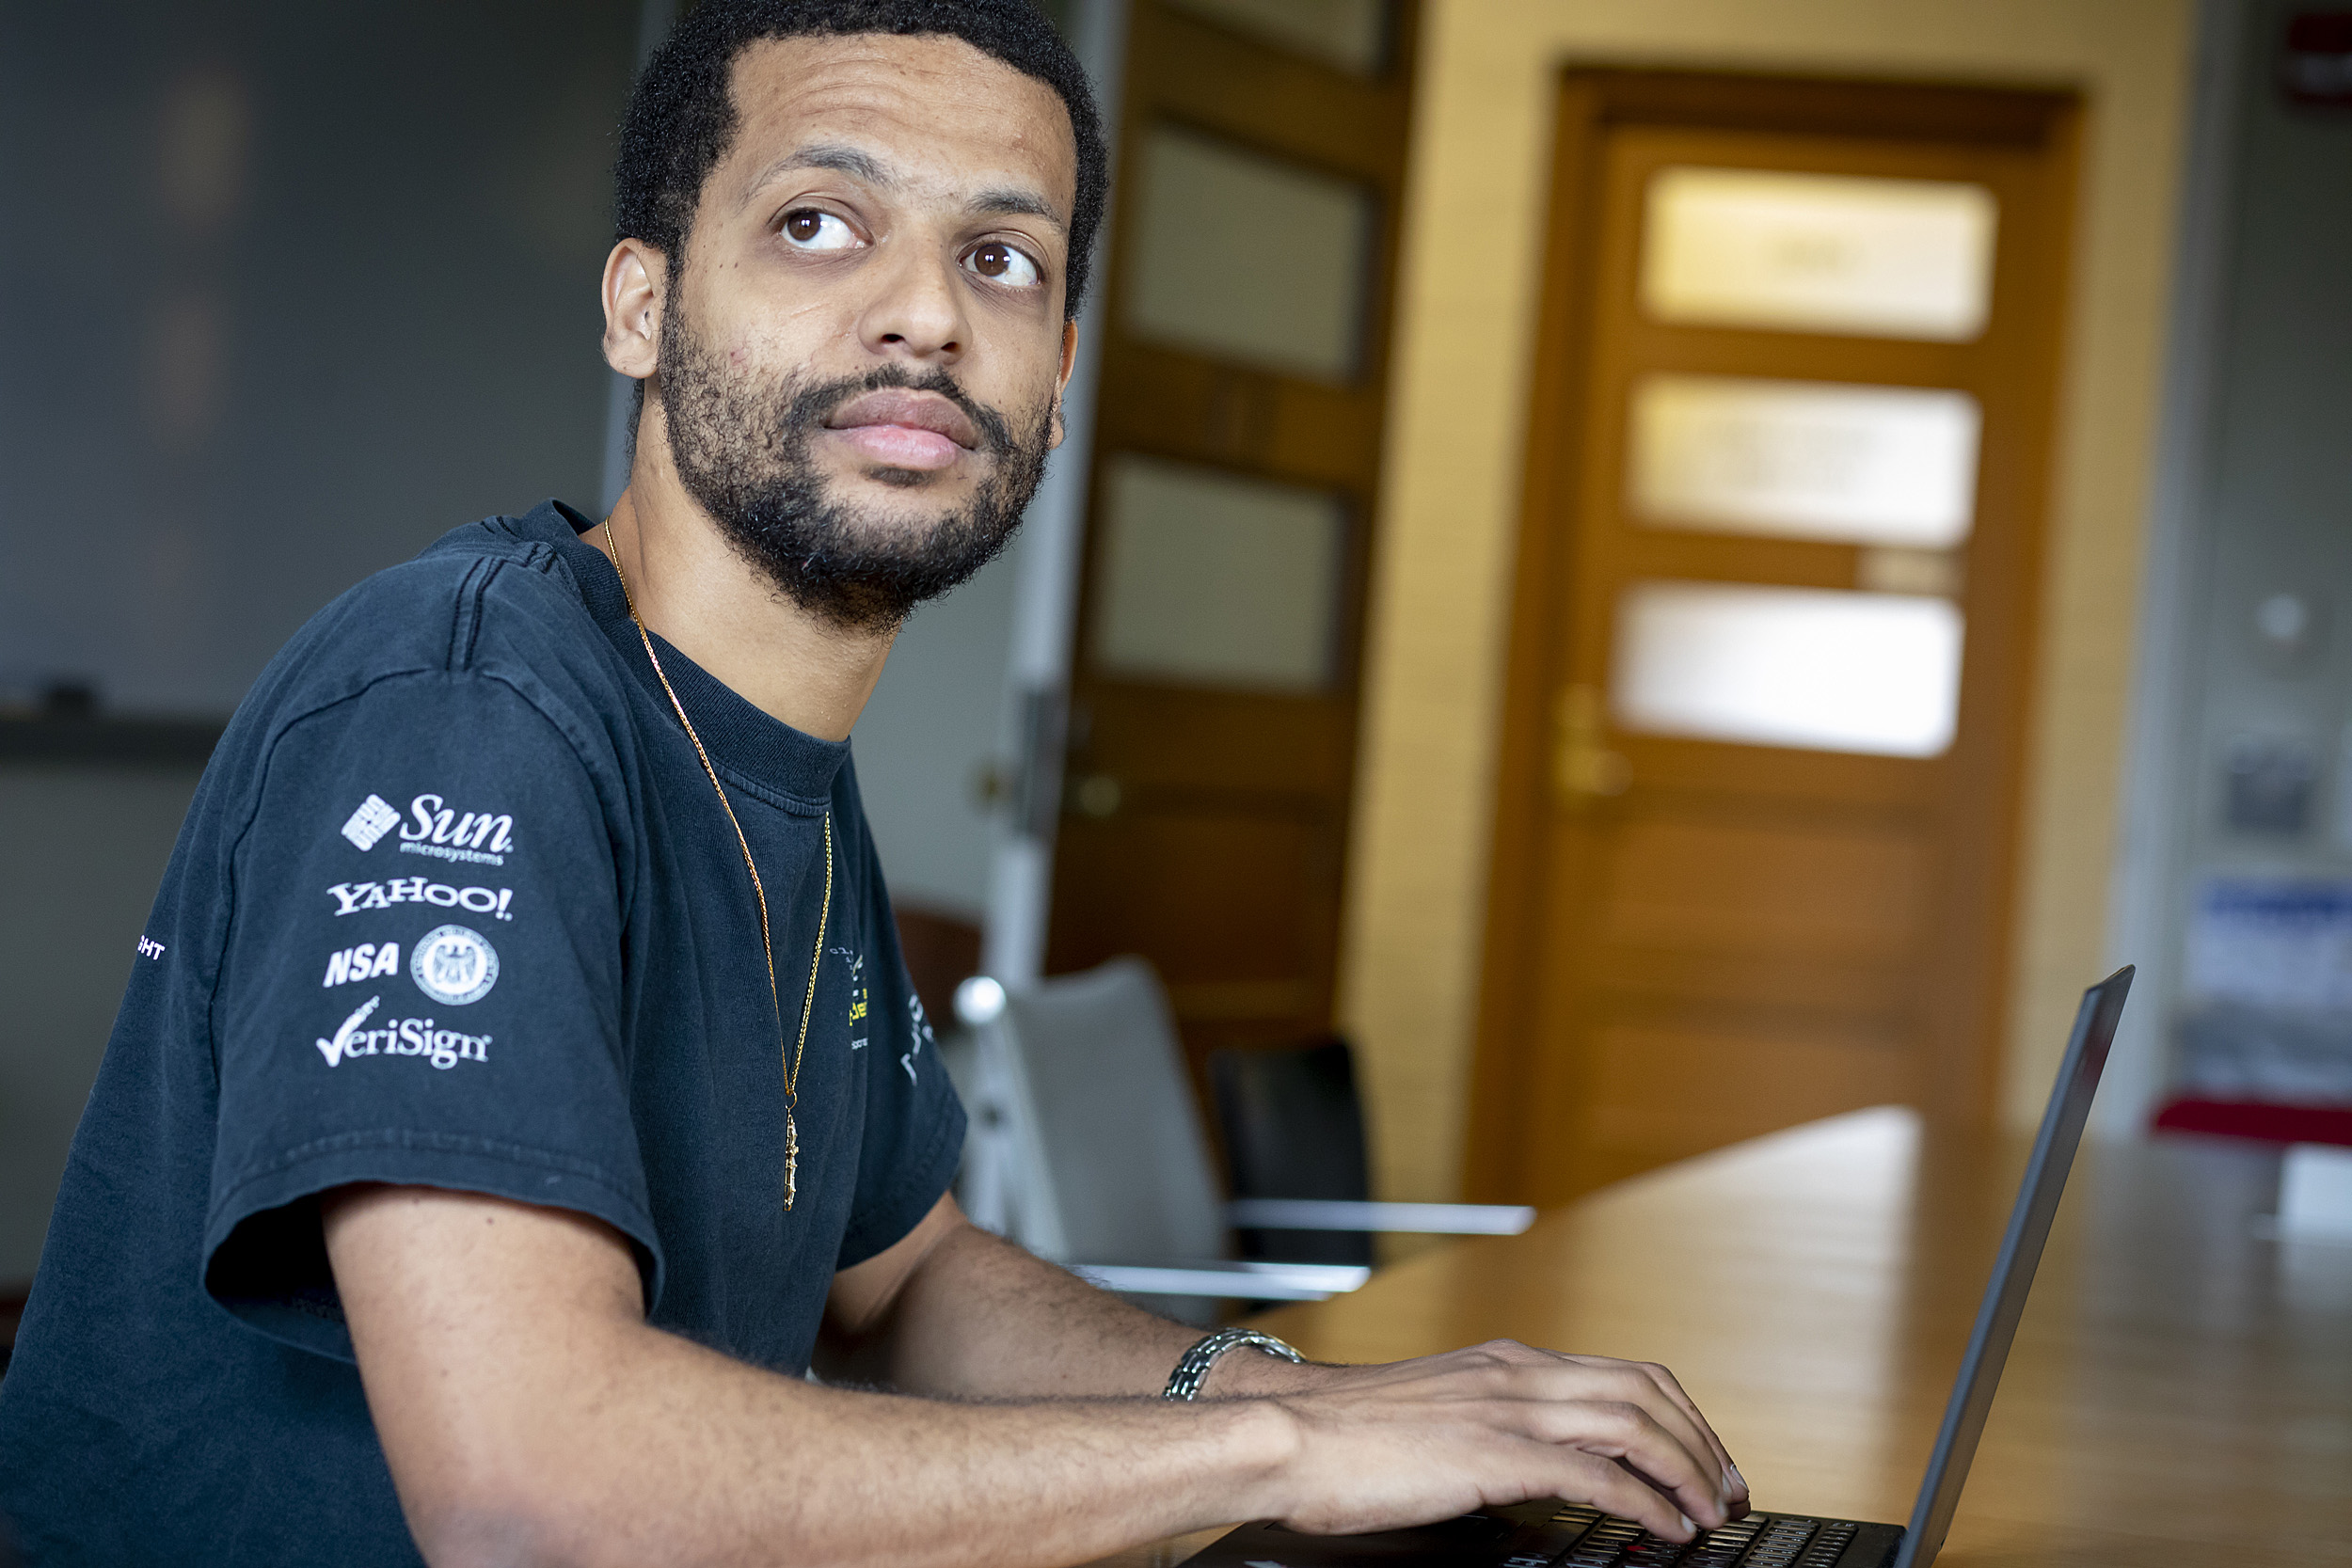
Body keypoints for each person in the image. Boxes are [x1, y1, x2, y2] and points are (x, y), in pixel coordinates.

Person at [0, 3, 1750, 1563]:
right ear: (642, 304)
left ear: (1059, 375)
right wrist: (1282, 1452)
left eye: (1006, 260)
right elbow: (535, 1502)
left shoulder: (772, 758)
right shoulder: (469, 710)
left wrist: (1306, 1396)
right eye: (818, 225)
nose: (924, 313)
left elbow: (904, 1283)